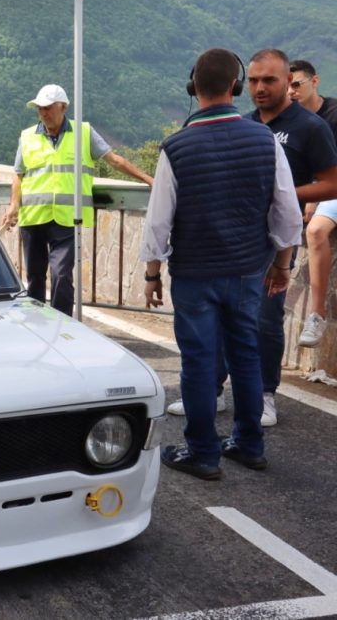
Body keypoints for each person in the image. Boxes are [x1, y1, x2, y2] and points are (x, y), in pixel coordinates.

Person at [142, 48, 302, 480]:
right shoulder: (265, 141)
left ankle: (203, 453)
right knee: (246, 356)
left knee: (198, 361)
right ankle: (249, 444)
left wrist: (152, 274)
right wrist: (281, 265)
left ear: (193, 87)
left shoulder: (175, 147)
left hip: (194, 276)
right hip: (248, 270)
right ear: (236, 87)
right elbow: (286, 215)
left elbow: (158, 223)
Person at [0, 84, 154, 316]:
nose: (43, 113)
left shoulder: (84, 133)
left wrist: (147, 179)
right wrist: (13, 205)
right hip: (33, 218)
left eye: (48, 108)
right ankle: (36, 327)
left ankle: (62, 327)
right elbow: (18, 174)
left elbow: (113, 160)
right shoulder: (27, 136)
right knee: (35, 278)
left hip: (68, 218)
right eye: (39, 108)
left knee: (61, 275)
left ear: (63, 107)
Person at [245, 49, 337, 424]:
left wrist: (285, 194)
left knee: (267, 319)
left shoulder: (310, 127)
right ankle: (214, 389)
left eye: (269, 80)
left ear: (289, 83)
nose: (260, 88)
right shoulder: (246, 124)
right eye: (253, 81)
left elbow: (332, 182)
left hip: (278, 241)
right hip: (238, 238)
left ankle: (266, 395)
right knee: (224, 314)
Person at [290, 59, 337, 348]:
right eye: (289, 86)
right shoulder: (289, 120)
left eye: (298, 84)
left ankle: (316, 314)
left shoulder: (334, 114)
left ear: (315, 81)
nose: (292, 91)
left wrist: (316, 194)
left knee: (316, 231)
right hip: (312, 192)